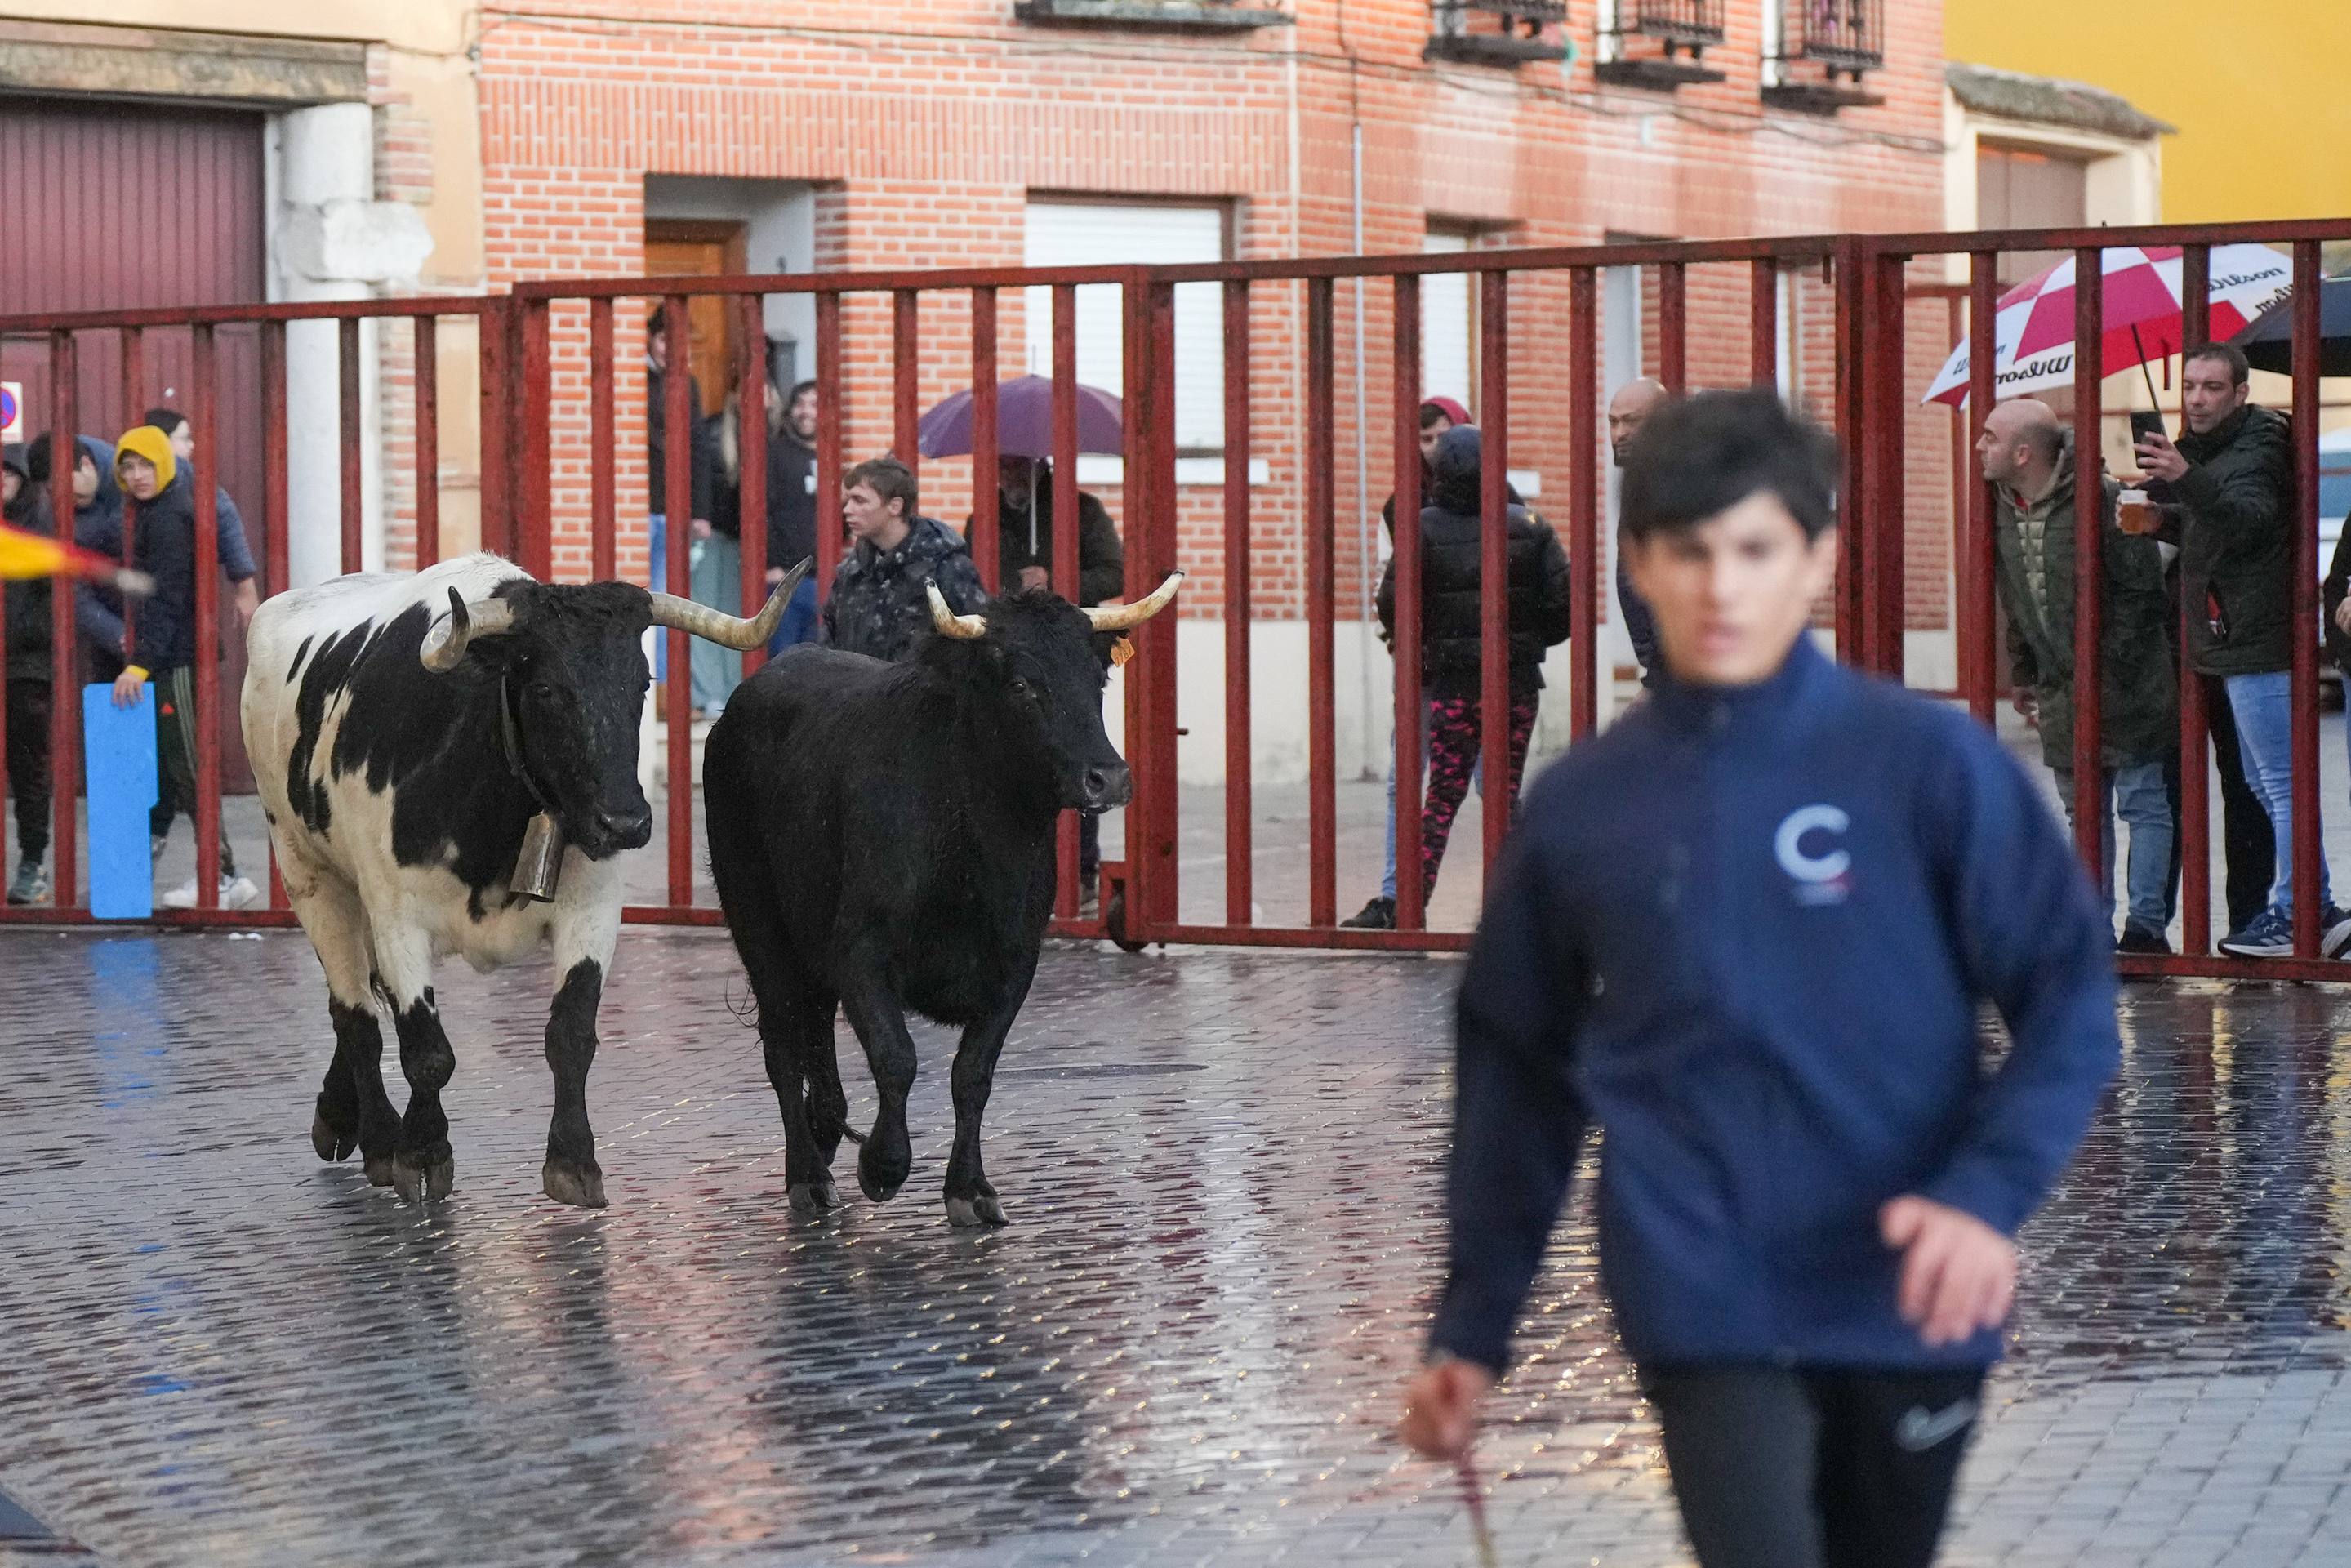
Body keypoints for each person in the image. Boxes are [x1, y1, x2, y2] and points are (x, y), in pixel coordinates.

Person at [1399, 389, 2120, 1568]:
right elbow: (1514, 1075)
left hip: (1909, 1284)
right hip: (1698, 1279)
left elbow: (2069, 1005)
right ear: (1637, 561)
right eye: (1685, 553)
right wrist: (1470, 1328)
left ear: (1816, 557)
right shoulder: (1584, 806)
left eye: (1753, 550)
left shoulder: (1926, 765)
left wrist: (1984, 1200)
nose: (1718, 588)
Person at [2135, 343, 2351, 959]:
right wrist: (2164, 516)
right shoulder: (2208, 449)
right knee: (2266, 783)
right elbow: (2216, 525)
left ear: (2239, 394)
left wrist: (2184, 479)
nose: (2196, 399)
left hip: (2255, 635)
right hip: (2226, 633)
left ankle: (2293, 911)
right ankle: (2316, 907)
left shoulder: (2258, 445)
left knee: (2280, 784)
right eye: (2189, 386)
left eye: (2210, 388)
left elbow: (2250, 518)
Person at [1979, 399, 2178, 953]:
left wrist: (2103, 666)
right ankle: (2090, 925)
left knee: (2141, 802)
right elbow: (2013, 596)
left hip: (2128, 680)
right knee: (2080, 808)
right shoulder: (1996, 504)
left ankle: (2144, 930)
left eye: (1989, 438)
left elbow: (2142, 593)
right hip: (2059, 683)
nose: (1978, 448)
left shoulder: (2103, 499)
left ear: (2023, 452)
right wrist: (2024, 670)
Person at [1366, 425, 1570, 911]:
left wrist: (1433, 646)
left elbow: (1392, 603)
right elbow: (1562, 609)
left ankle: (1409, 907)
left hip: (1454, 686)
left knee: (1441, 797)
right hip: (1516, 685)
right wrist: (1525, 643)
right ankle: (1524, 911)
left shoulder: (1422, 526)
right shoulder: (1531, 525)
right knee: (1504, 797)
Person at [1345, 398, 1518, 929]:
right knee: (1406, 779)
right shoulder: (1401, 506)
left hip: (1491, 671)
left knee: (1495, 786)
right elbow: (1386, 590)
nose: (1435, 451)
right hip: (1426, 669)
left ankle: (1520, 903)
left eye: (1443, 437)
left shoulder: (1508, 506)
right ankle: (1397, 899)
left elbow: (1536, 588)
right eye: (1423, 441)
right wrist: (1403, 645)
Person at [109, 425, 260, 911]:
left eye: (146, 465)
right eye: (128, 467)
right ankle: (222, 874)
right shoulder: (154, 509)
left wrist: (139, 666)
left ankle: (221, 876)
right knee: (180, 768)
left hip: (178, 660)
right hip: (174, 656)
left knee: (190, 768)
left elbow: (168, 599)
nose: (137, 476)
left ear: (165, 464)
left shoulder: (170, 513)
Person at [989, 453, 1126, 901]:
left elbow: (1113, 573)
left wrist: (1055, 577)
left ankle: (1082, 870)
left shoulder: (1081, 510)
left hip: (1069, 653)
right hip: (1018, 662)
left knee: (1082, 746)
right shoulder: (984, 516)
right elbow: (978, 583)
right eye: (998, 466)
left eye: (1013, 465)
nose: (1005, 475)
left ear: (1039, 466)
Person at [819, 455, 987, 665]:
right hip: (856, 694)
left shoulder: (946, 568)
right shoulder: (852, 572)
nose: (847, 510)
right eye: (848, 500)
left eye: (860, 500)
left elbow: (979, 643)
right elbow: (829, 643)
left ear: (895, 506)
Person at [646, 310, 719, 695]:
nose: (669, 351)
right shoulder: (635, 380)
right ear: (650, 339)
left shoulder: (687, 385)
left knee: (673, 601)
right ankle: (652, 685)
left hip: (675, 509)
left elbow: (699, 450)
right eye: (662, 341)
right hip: (641, 506)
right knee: (646, 596)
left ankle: (670, 692)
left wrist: (701, 510)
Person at [140, 408, 262, 632]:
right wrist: (245, 586)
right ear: (161, 443)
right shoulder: (182, 474)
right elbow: (224, 512)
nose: (192, 446)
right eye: (185, 438)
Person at [2, 444, 54, 904]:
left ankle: (32, 863)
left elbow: (54, 600)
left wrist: (18, 633)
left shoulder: (40, 525)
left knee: (28, 771)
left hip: (26, 669)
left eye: (9, 472)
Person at [1610, 376, 1672, 687]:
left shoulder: (1676, 485)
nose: (1619, 433)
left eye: (1631, 422)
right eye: (1613, 422)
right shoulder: (1642, 486)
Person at [764, 378, 822, 654]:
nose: (805, 411)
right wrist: (772, 562)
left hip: (823, 578)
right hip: (785, 576)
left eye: (814, 404)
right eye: (800, 404)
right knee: (782, 660)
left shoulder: (833, 456)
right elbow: (764, 511)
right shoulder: (776, 453)